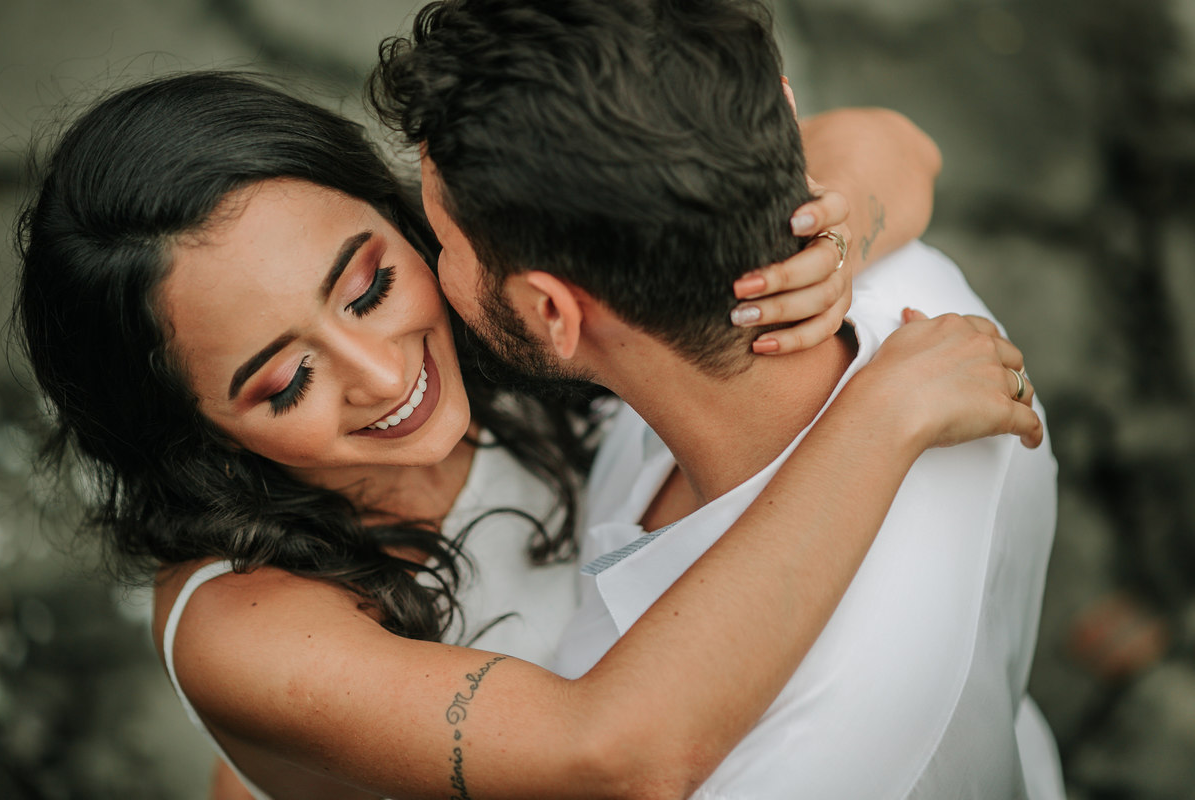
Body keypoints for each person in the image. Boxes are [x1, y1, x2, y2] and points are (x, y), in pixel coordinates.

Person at [12, 71, 1039, 800]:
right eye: (286, 380)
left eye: (367, 283)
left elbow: (894, 142)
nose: (384, 373)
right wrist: (881, 413)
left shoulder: (487, 290)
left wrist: (827, 235)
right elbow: (616, 755)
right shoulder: (243, 627)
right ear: (194, 435)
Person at [372, 0, 1064, 797]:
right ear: (784, 109)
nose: (429, 268)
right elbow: (897, 145)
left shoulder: (770, 766)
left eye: (446, 244)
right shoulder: (924, 302)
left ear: (553, 312)